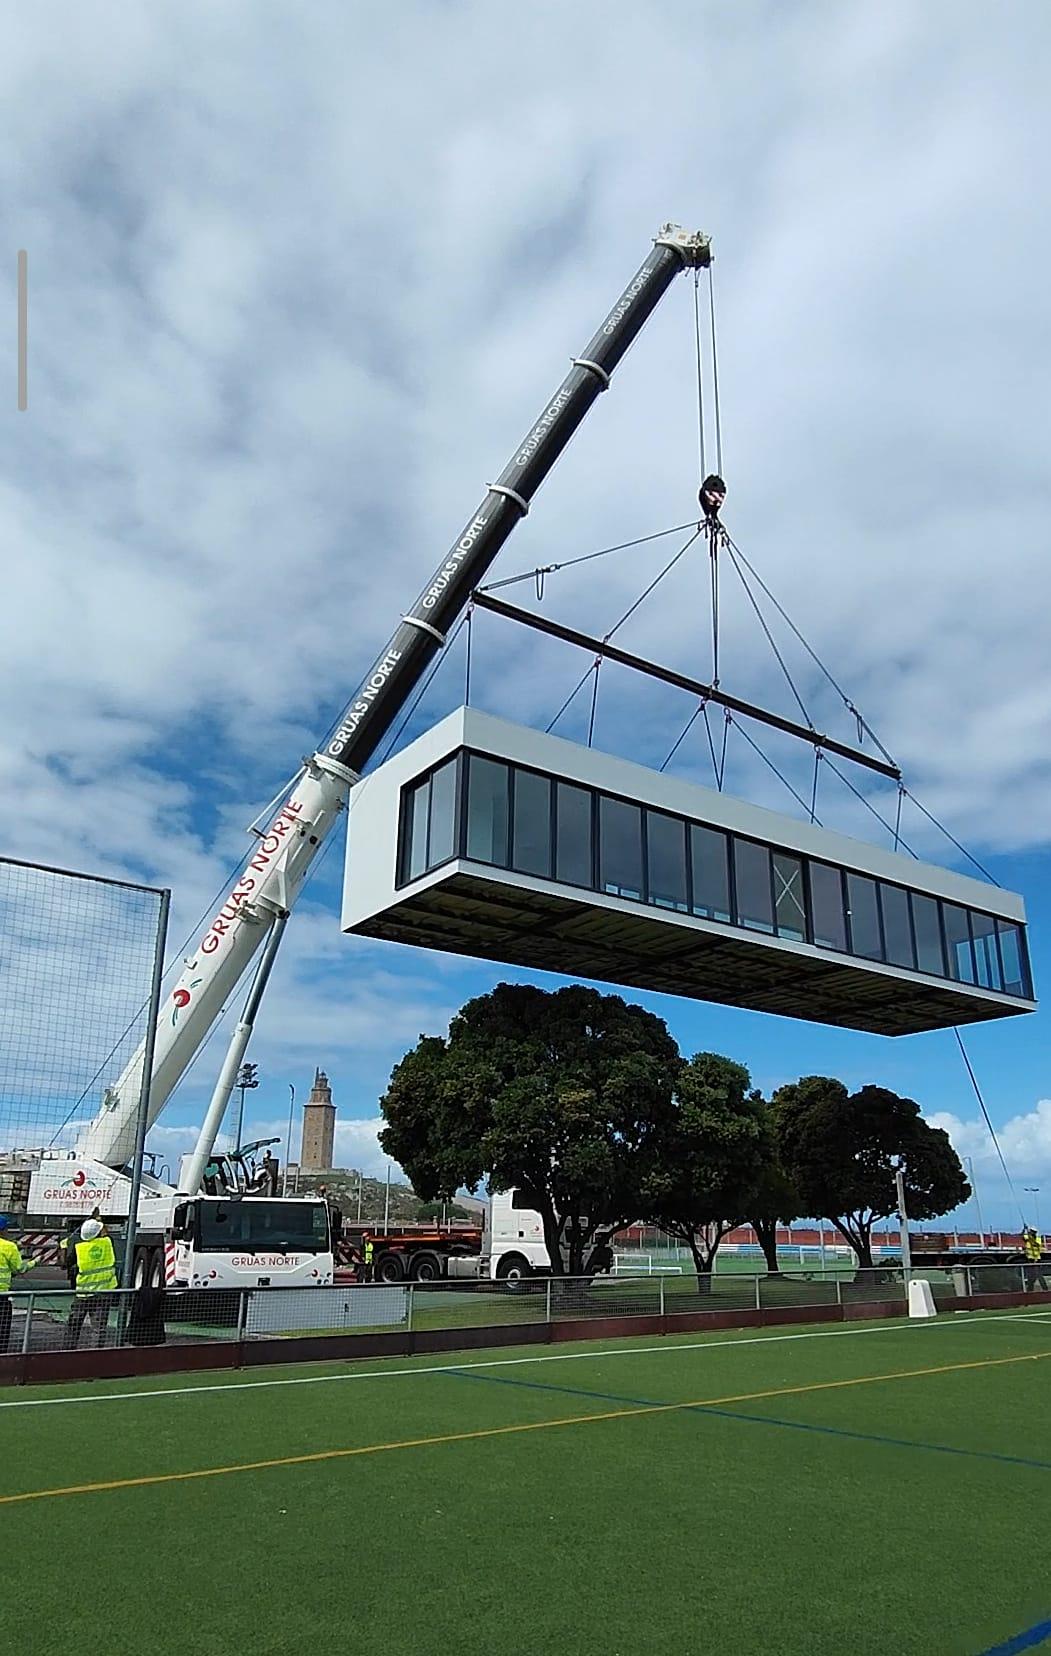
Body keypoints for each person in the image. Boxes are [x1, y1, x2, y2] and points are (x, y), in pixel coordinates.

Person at [66, 1217, 118, 1350]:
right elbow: (106, 1233)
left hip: (83, 1294)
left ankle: (68, 1350)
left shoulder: (79, 1248)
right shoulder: (107, 1243)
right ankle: (95, 1355)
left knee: (74, 1325)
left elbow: (67, 1262)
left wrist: (64, 1247)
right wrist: (100, 1221)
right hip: (103, 1293)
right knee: (99, 1328)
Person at [0, 1216, 37, 1354]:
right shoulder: (9, 1247)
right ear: (3, 1230)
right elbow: (19, 1269)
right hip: (2, 1296)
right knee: (2, 1331)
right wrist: (35, 1262)